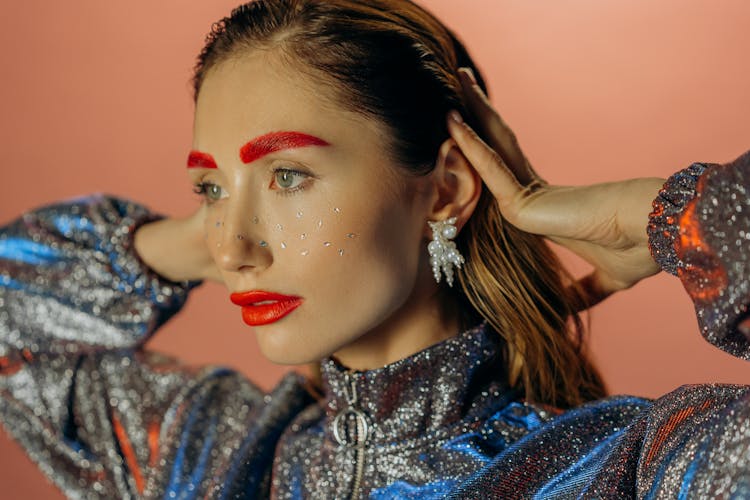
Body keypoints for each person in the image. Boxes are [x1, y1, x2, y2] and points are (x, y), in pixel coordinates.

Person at [0, 0, 747, 497]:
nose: (234, 248)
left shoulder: (636, 468)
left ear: (447, 189)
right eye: (211, 187)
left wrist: (670, 217)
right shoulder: (209, 459)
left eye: (288, 175)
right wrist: (203, 235)